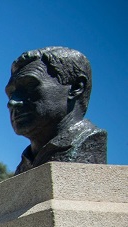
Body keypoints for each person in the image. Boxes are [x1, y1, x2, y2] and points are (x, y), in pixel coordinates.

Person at [6, 46, 107, 174]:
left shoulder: (87, 145)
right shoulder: (26, 162)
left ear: (75, 87)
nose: (12, 102)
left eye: (30, 86)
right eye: (11, 94)